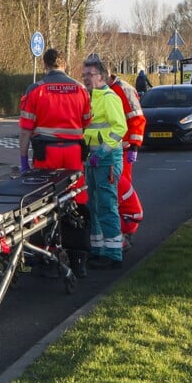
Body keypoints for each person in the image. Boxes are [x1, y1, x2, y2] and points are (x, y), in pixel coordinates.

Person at [19, 48, 92, 277]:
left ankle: (45, 255)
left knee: (43, 203)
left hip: (46, 154)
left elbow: (26, 129)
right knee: (76, 203)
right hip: (73, 154)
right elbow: (87, 124)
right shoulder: (80, 90)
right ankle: (77, 259)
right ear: (66, 65)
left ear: (45, 65)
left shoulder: (36, 90)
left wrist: (23, 158)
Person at [81, 58, 127, 270]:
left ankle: (113, 253)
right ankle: (98, 249)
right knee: (94, 205)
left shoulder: (109, 97)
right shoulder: (92, 97)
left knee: (106, 205)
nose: (85, 78)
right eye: (84, 74)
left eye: (89, 74)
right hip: (93, 158)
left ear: (101, 76)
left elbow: (120, 129)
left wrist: (102, 151)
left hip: (106, 158)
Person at [106, 70, 146, 250]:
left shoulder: (123, 89)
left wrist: (135, 144)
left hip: (123, 149)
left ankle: (124, 233)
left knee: (121, 191)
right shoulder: (104, 90)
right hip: (109, 149)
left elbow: (136, 117)